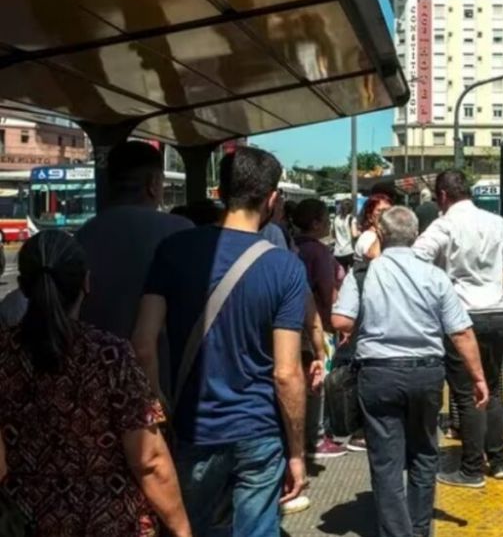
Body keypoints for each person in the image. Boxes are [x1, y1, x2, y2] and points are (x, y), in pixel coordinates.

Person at [131, 146, 309, 537]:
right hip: (260, 430)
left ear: (219, 192)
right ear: (272, 198)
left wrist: (159, 399)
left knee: (188, 526)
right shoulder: (286, 268)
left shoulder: (173, 250)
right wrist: (297, 453)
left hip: (195, 426)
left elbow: (143, 343)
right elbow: (286, 373)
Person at [0, 231, 191, 537]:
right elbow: (149, 460)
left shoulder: (5, 355)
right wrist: (182, 529)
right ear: (86, 283)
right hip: (112, 523)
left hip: (27, 522)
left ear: (23, 287)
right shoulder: (110, 356)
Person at [333, 206, 488, 537]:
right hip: (426, 374)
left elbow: (340, 321)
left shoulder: (362, 273)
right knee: (424, 452)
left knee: (386, 461)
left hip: (378, 375)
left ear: (382, 235)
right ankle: (418, 530)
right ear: (416, 236)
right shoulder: (435, 275)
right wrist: (478, 377)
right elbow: (460, 332)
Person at [413, 170, 503, 488]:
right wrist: (498, 276)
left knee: (467, 393)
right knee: (493, 388)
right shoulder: (495, 222)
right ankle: (498, 461)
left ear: (442, 196)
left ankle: (471, 469)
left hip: (461, 318)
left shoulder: (444, 225)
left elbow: (417, 258)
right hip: (497, 314)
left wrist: (444, 279)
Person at [75, 140, 193, 398]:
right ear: (153, 184)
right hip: (166, 386)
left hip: (95, 390)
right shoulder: (181, 232)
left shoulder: (81, 237)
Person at [292, 199, 347, 459]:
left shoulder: (293, 246)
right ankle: (316, 436)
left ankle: (300, 434)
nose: (329, 224)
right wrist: (334, 320)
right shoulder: (318, 252)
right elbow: (328, 292)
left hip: (293, 323)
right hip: (317, 323)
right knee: (318, 379)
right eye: (326, 219)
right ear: (315, 223)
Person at [355, 193, 393, 264]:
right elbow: (376, 259)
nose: (386, 215)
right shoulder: (367, 237)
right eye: (380, 211)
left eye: (390, 211)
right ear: (370, 217)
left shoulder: (389, 235)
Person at [332, 199, 359, 271]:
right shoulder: (351, 219)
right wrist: (360, 232)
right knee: (353, 273)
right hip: (350, 251)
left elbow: (333, 235)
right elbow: (354, 235)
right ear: (351, 208)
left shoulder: (336, 219)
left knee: (341, 276)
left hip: (337, 252)